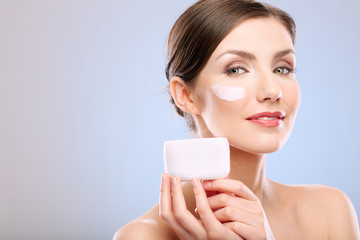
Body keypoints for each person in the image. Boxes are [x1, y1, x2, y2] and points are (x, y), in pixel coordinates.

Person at [114, 0, 360, 239]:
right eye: (236, 69)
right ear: (185, 94)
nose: (273, 91)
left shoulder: (330, 211)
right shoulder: (143, 235)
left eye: (282, 68)